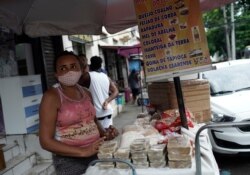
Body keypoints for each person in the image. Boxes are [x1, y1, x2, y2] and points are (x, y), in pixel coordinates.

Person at [39, 51, 117, 175]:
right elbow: (45, 141)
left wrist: (105, 134)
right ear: (56, 73)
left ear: (81, 69)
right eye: (63, 68)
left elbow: (93, 121)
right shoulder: (51, 97)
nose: (69, 71)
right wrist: (83, 151)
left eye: (73, 66)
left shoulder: (87, 93)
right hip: (69, 161)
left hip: (96, 154)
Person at [78, 56, 119, 129]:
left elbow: (74, 86)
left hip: (96, 116)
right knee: (108, 136)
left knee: (99, 138)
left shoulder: (87, 76)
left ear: (90, 64)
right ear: (100, 65)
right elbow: (116, 91)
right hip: (108, 112)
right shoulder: (105, 76)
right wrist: (107, 101)